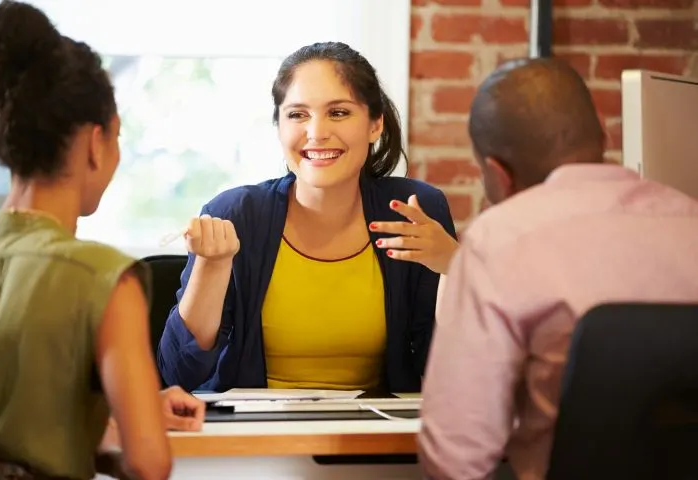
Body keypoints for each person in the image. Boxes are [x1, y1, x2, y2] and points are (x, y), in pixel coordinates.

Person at [0, 2, 203, 480]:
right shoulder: (102, 277)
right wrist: (131, 424)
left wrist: (102, 413)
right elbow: (148, 463)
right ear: (95, 141)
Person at [418, 57, 698, 480]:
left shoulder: (498, 240)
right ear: (603, 131)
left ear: (498, 173)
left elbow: (456, 459)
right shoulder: (690, 218)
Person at [158, 42, 459, 393]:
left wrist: (454, 267)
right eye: (298, 115)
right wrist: (211, 267)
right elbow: (178, 375)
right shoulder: (234, 214)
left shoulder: (416, 210)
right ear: (279, 127)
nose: (316, 132)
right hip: (258, 436)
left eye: (339, 113)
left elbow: (446, 371)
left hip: (375, 435)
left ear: (375, 124)